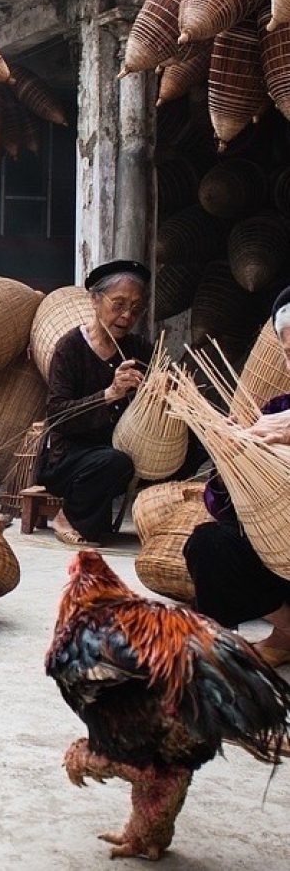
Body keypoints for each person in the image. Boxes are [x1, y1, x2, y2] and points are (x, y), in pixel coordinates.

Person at [183, 286, 290, 669]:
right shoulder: (275, 411)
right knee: (210, 544)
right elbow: (221, 507)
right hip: (284, 558)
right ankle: (274, 637)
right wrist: (233, 465)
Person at [40, 260, 154, 547]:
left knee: (189, 450)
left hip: (119, 450)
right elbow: (56, 415)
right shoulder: (70, 348)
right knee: (113, 462)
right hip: (69, 459)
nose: (127, 315)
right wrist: (110, 393)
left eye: (136, 308)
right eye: (118, 304)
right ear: (94, 299)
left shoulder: (140, 348)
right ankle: (67, 516)